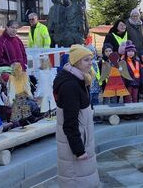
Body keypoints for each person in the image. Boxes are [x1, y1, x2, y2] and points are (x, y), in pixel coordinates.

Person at [53, 45, 100, 187]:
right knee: (76, 180)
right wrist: (79, 150)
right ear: (76, 62)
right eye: (86, 60)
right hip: (75, 146)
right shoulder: (70, 86)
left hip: (81, 139)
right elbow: (70, 122)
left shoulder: (80, 78)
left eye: (91, 59)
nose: (90, 63)